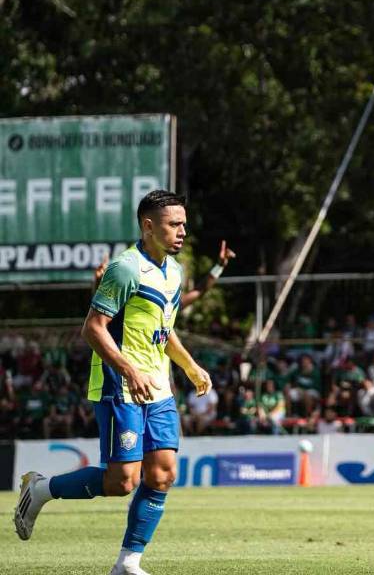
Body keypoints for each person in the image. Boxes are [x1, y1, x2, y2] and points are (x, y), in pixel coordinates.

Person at [14, 190, 213, 575]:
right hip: (118, 385)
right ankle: (40, 489)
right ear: (148, 226)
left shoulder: (175, 272)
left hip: (158, 387)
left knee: (163, 473)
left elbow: (164, 330)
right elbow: (93, 329)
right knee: (123, 481)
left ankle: (128, 563)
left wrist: (189, 366)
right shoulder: (125, 268)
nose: (182, 231)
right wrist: (129, 370)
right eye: (175, 224)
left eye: (184, 224)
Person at [94, 239, 237, 308]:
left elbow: (199, 290)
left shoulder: (167, 305)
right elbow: (99, 313)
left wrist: (219, 266)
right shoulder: (131, 302)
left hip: (159, 367)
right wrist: (99, 284)